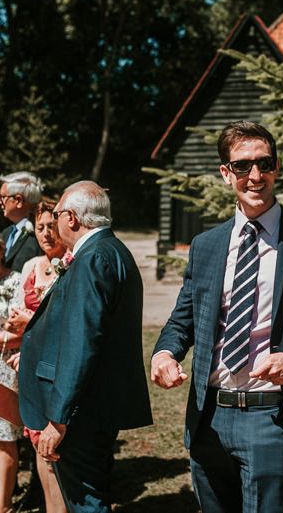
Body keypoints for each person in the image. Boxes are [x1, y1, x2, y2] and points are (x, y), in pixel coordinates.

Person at [151, 120, 283, 513]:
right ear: (225, 173)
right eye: (243, 166)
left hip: (272, 418)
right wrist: (164, 354)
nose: (255, 175)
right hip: (209, 416)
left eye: (265, 163)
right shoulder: (206, 245)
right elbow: (184, 319)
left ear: (276, 167)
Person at [18, 181, 153, 513]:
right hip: (99, 402)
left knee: (85, 501)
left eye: (60, 213)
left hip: (82, 410)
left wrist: (58, 420)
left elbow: (82, 341)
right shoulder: (113, 251)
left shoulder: (92, 259)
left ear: (73, 218)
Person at [8, 201, 70, 513]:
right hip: (27, 365)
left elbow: (63, 323)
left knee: (54, 451)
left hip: (56, 367)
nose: (46, 233)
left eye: (51, 226)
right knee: (35, 442)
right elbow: (16, 317)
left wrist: (27, 324)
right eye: (40, 227)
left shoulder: (70, 266)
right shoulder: (31, 266)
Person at [0, 235, 24, 513]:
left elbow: (23, 330)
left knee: (5, 436)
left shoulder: (16, 281)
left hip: (7, 366)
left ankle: (4, 506)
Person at [0, 172, 43, 272]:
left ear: (18, 200)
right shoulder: (5, 233)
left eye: (2, 197)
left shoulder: (39, 234)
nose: (0, 203)